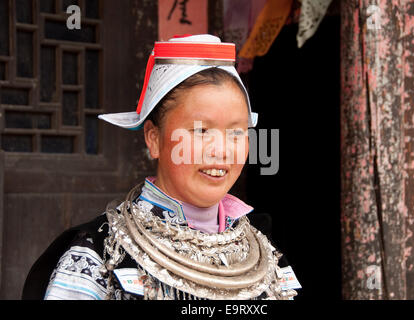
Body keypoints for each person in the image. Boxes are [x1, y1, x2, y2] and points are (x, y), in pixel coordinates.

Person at [22, 34, 299, 300]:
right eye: (201, 131)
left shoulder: (265, 256)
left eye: (236, 133)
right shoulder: (99, 253)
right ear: (154, 138)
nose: (222, 150)